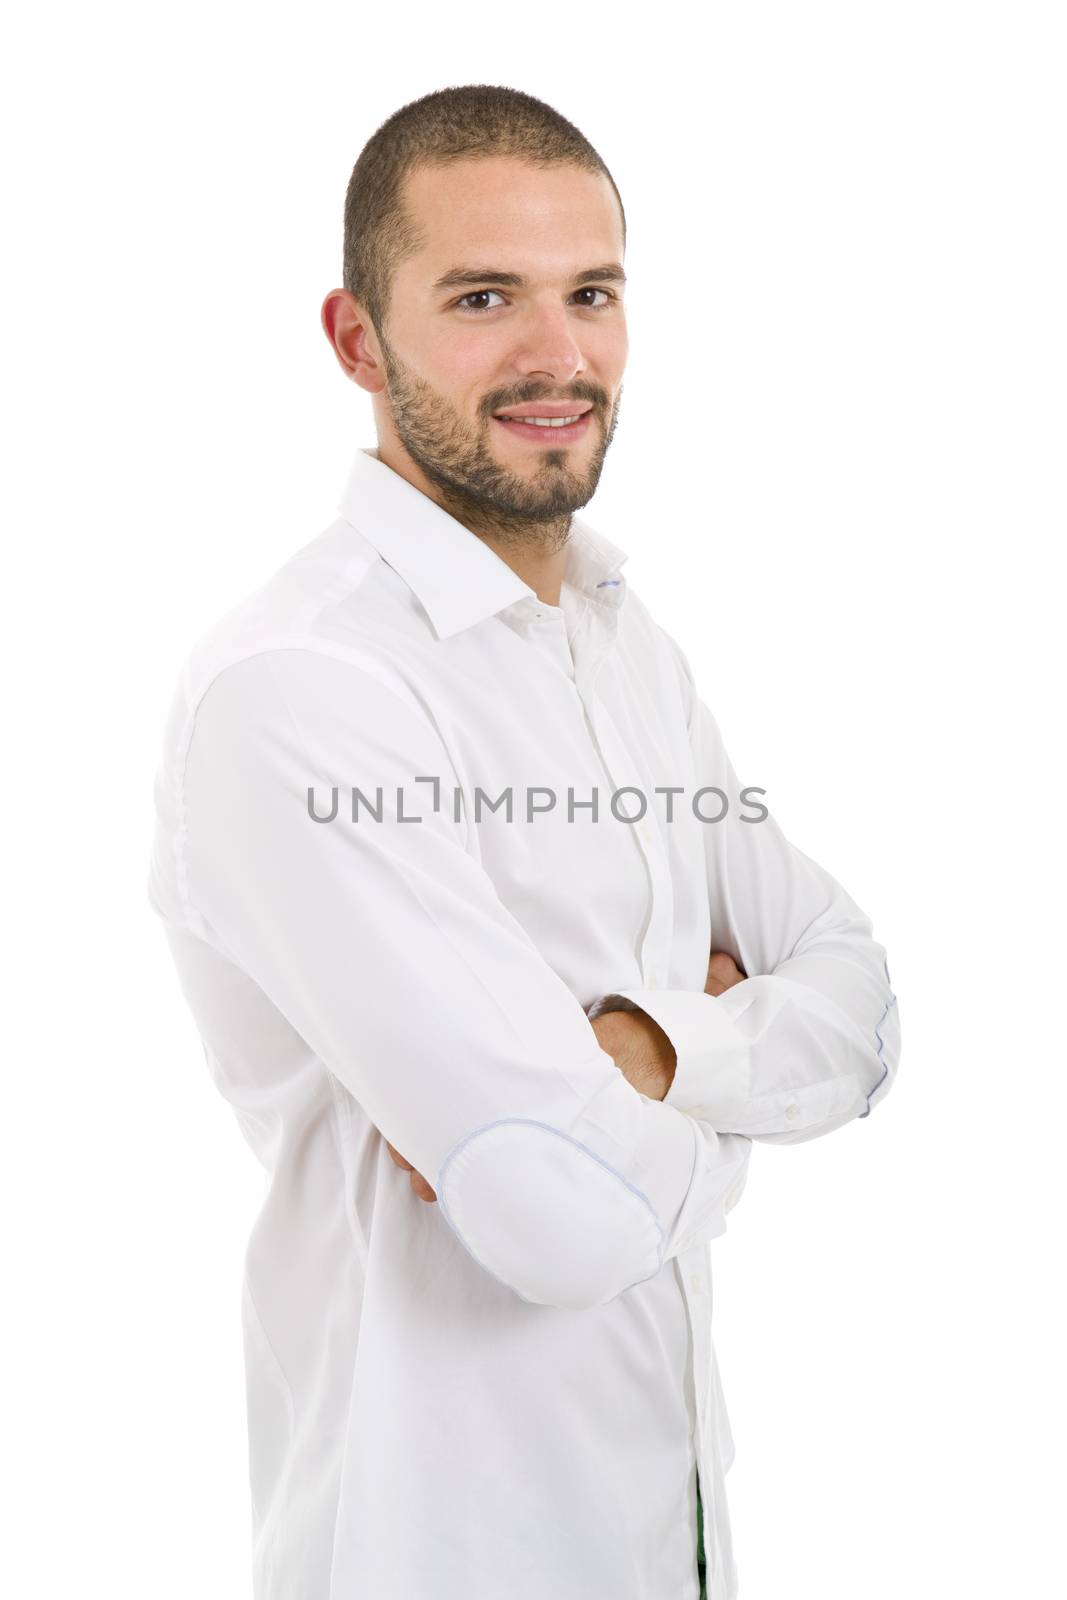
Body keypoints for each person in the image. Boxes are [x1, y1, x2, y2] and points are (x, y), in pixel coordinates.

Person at [147, 83, 900, 1600]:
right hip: (434, 1551)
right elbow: (562, 1215)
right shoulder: (301, 692)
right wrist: (728, 1072)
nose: (557, 356)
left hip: (671, 1542)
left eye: (592, 295)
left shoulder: (627, 649)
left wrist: (638, 1053)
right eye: (483, 297)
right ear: (358, 341)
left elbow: (861, 1001)